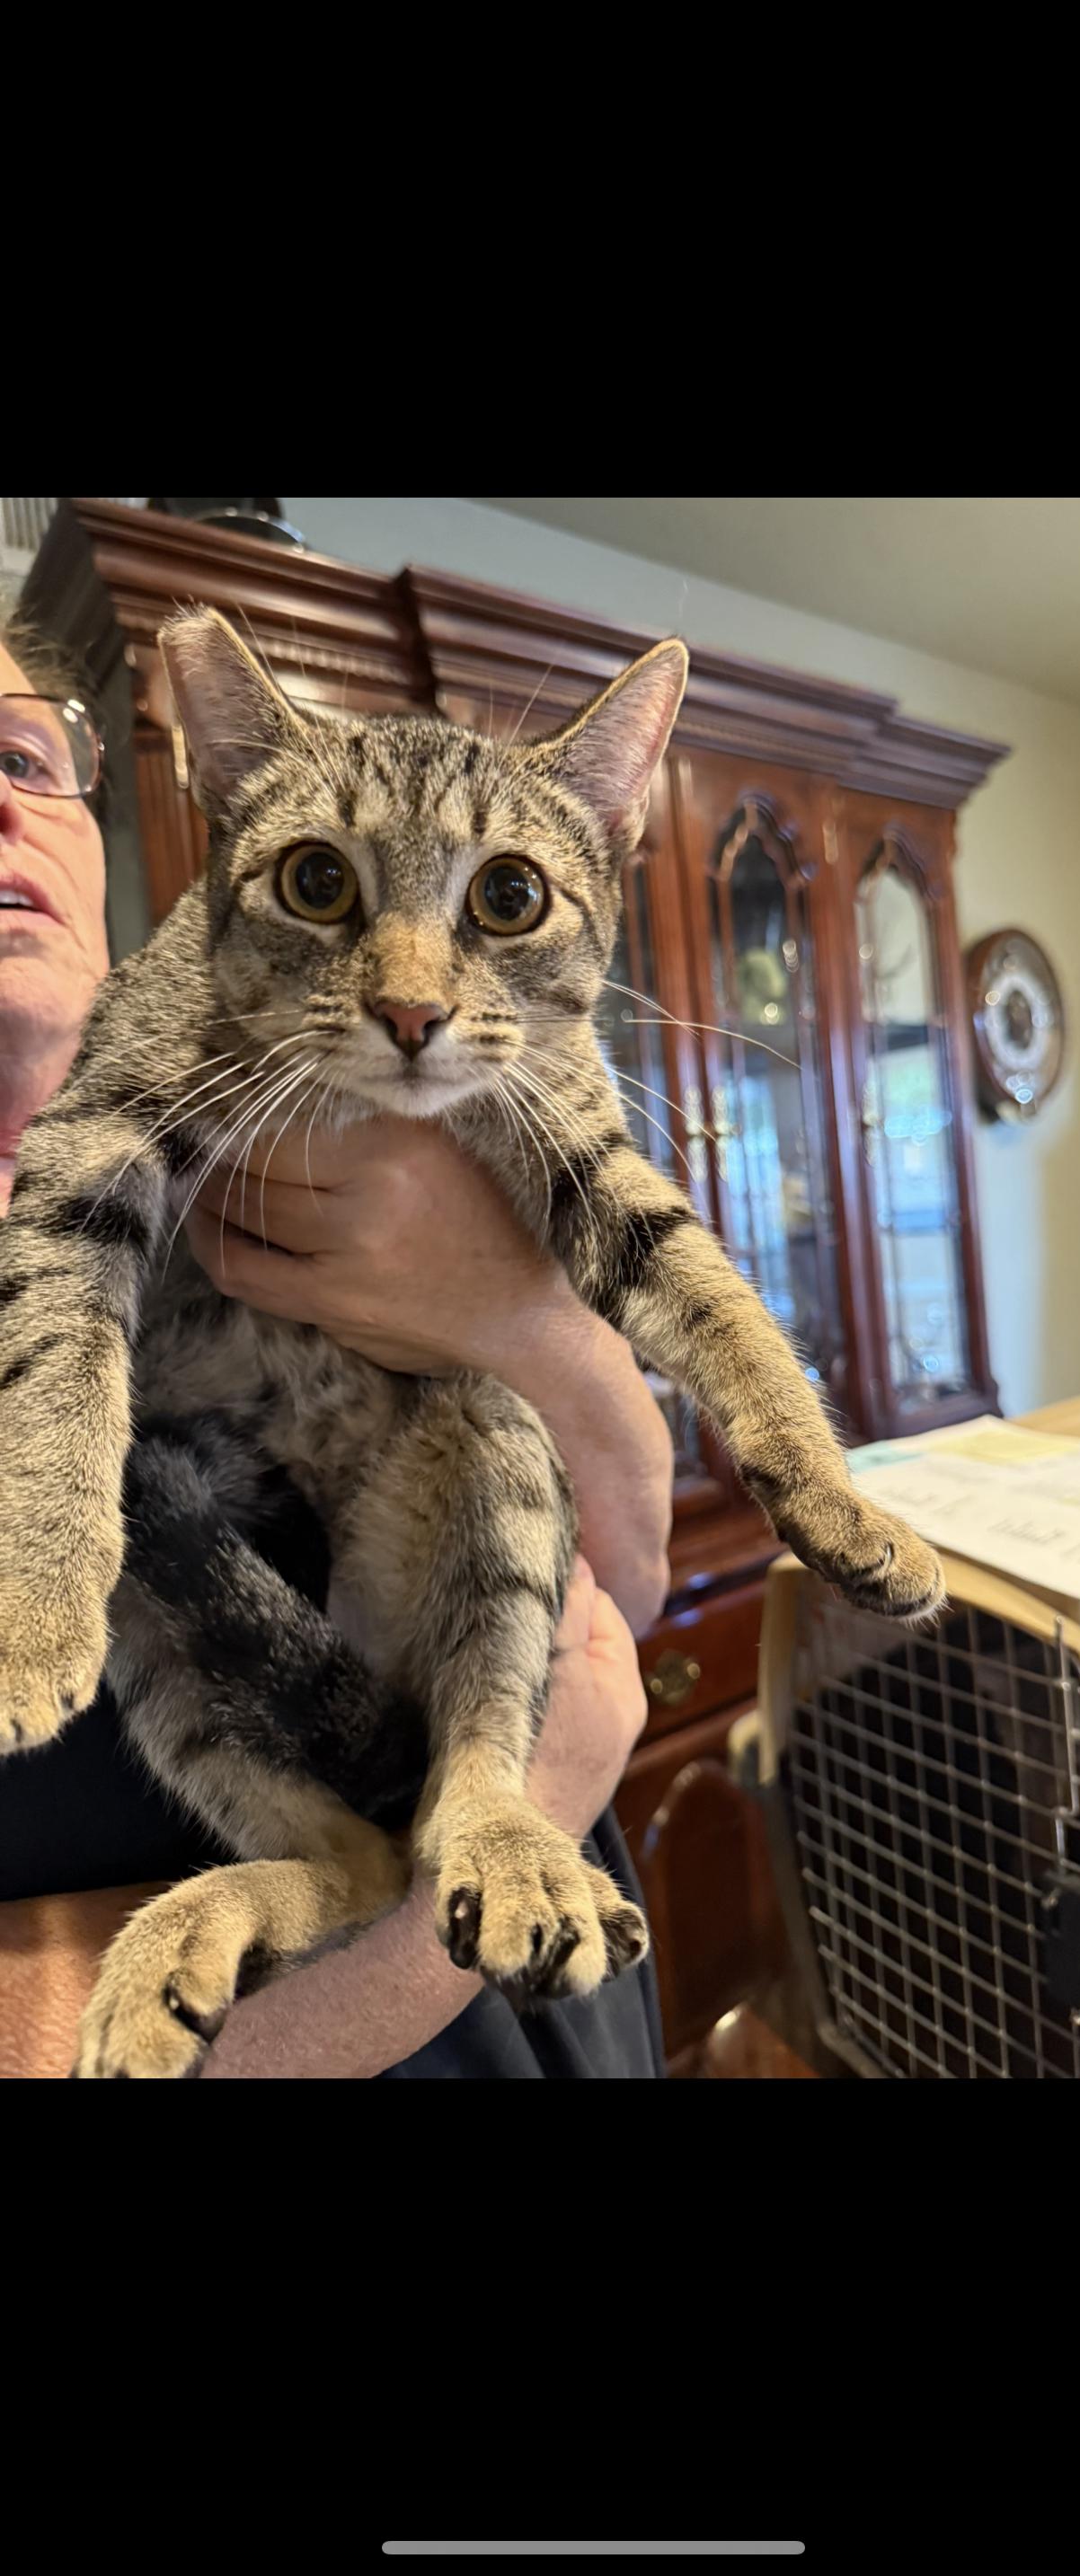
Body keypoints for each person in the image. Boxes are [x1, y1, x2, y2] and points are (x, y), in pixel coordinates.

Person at [0, 612, 674, 2078]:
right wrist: (530, 1793)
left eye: (22, 756)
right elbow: (597, 1696)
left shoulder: (349, 1121)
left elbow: (633, 1564)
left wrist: (521, 1316)